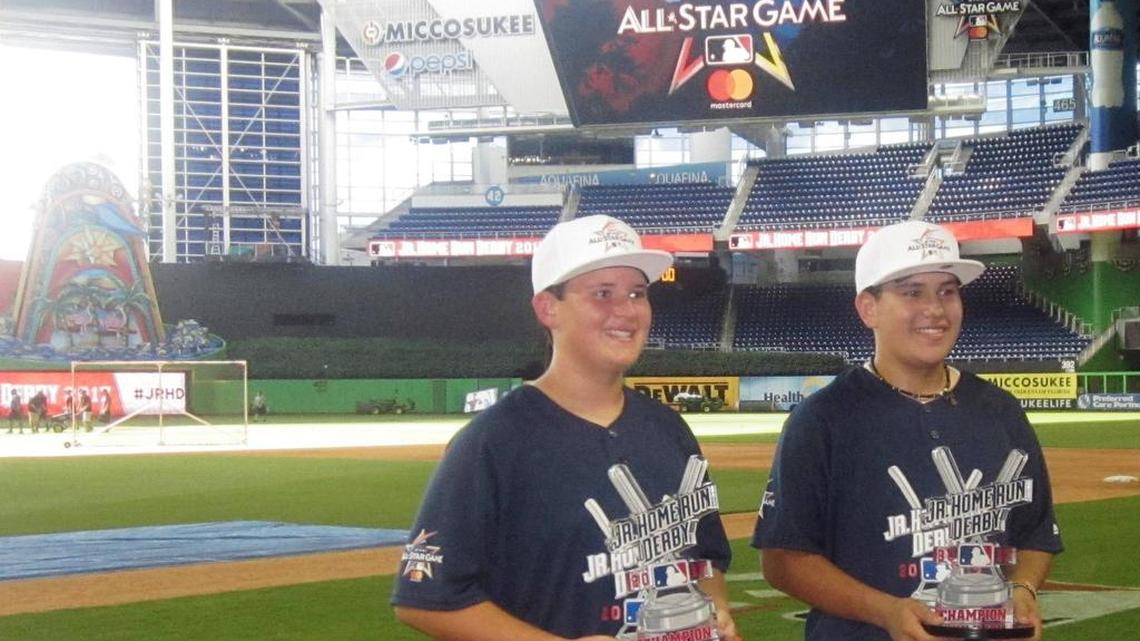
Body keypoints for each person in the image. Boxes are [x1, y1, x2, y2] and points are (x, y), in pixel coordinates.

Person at [392, 215, 740, 641]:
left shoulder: (668, 429)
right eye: (602, 293)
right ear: (547, 308)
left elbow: (703, 558)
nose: (627, 310)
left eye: (637, 293)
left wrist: (713, 610)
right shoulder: (494, 442)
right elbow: (424, 599)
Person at [753, 220, 1063, 641]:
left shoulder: (1001, 411)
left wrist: (1024, 588)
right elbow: (783, 559)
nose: (935, 309)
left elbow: (1035, 533)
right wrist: (887, 612)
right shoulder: (823, 419)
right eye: (912, 292)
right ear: (868, 308)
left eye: (947, 291)